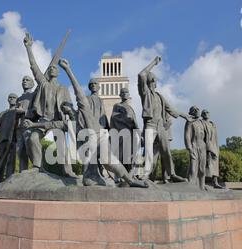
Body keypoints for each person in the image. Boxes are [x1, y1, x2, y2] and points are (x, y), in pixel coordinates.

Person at [26, 58, 147, 188]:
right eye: (63, 108)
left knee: (108, 160)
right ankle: (96, 178)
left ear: (72, 106)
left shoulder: (83, 108)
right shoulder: (70, 122)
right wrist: (33, 125)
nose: (65, 108)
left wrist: (68, 70)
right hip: (89, 146)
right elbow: (50, 125)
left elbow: (78, 91)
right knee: (88, 174)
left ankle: (130, 180)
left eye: (66, 106)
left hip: (98, 137)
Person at [23, 32, 75, 177]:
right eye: (50, 68)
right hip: (43, 120)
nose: (52, 68)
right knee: (33, 138)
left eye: (54, 68)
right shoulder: (44, 84)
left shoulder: (63, 89)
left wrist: (69, 116)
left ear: (58, 73)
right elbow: (34, 68)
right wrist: (28, 48)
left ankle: (67, 170)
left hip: (58, 121)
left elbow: (69, 107)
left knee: (62, 145)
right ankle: (38, 167)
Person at [138, 56, 190, 183]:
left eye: (155, 81)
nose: (155, 83)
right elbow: (141, 74)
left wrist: (184, 115)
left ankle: (172, 174)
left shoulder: (160, 96)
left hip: (160, 126)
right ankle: (146, 174)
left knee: (166, 151)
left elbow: (171, 109)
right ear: (151, 81)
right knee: (149, 151)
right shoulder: (145, 93)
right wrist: (154, 63)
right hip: (150, 125)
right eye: (154, 81)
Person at [0, 93, 20, 185]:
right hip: (2, 138)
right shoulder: (3, 113)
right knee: (1, 159)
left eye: (14, 97)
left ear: (17, 100)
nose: (11, 99)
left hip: (13, 139)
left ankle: (9, 178)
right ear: (8, 99)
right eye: (10, 97)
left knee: (11, 159)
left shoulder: (18, 111)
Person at [110, 87, 140, 173]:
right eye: (122, 93)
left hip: (131, 133)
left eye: (126, 92)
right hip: (122, 132)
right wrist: (126, 119)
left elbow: (135, 121)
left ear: (129, 94)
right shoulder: (117, 106)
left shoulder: (130, 108)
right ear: (120, 95)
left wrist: (139, 132)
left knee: (131, 153)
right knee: (122, 154)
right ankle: (122, 174)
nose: (124, 94)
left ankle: (131, 172)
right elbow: (114, 117)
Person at [185, 106, 207, 191]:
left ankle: (202, 187)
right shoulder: (190, 122)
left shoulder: (202, 122)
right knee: (193, 168)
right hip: (194, 145)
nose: (197, 110)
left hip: (202, 146)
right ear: (191, 112)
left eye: (198, 109)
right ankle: (191, 188)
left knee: (202, 169)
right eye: (195, 110)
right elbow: (187, 135)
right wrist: (189, 148)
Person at [16, 75, 35, 172]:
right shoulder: (19, 98)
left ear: (32, 83)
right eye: (23, 80)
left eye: (27, 80)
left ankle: (38, 169)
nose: (24, 81)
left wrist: (24, 111)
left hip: (29, 125)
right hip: (19, 127)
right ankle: (22, 171)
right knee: (20, 151)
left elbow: (36, 111)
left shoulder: (34, 95)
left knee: (30, 149)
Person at [202, 109, 224, 189]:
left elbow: (216, 138)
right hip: (205, 147)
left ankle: (215, 182)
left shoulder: (212, 124)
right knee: (205, 165)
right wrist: (208, 148)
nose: (206, 114)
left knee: (215, 165)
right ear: (202, 115)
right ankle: (202, 183)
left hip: (214, 146)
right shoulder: (201, 123)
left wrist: (217, 149)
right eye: (204, 113)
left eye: (207, 112)